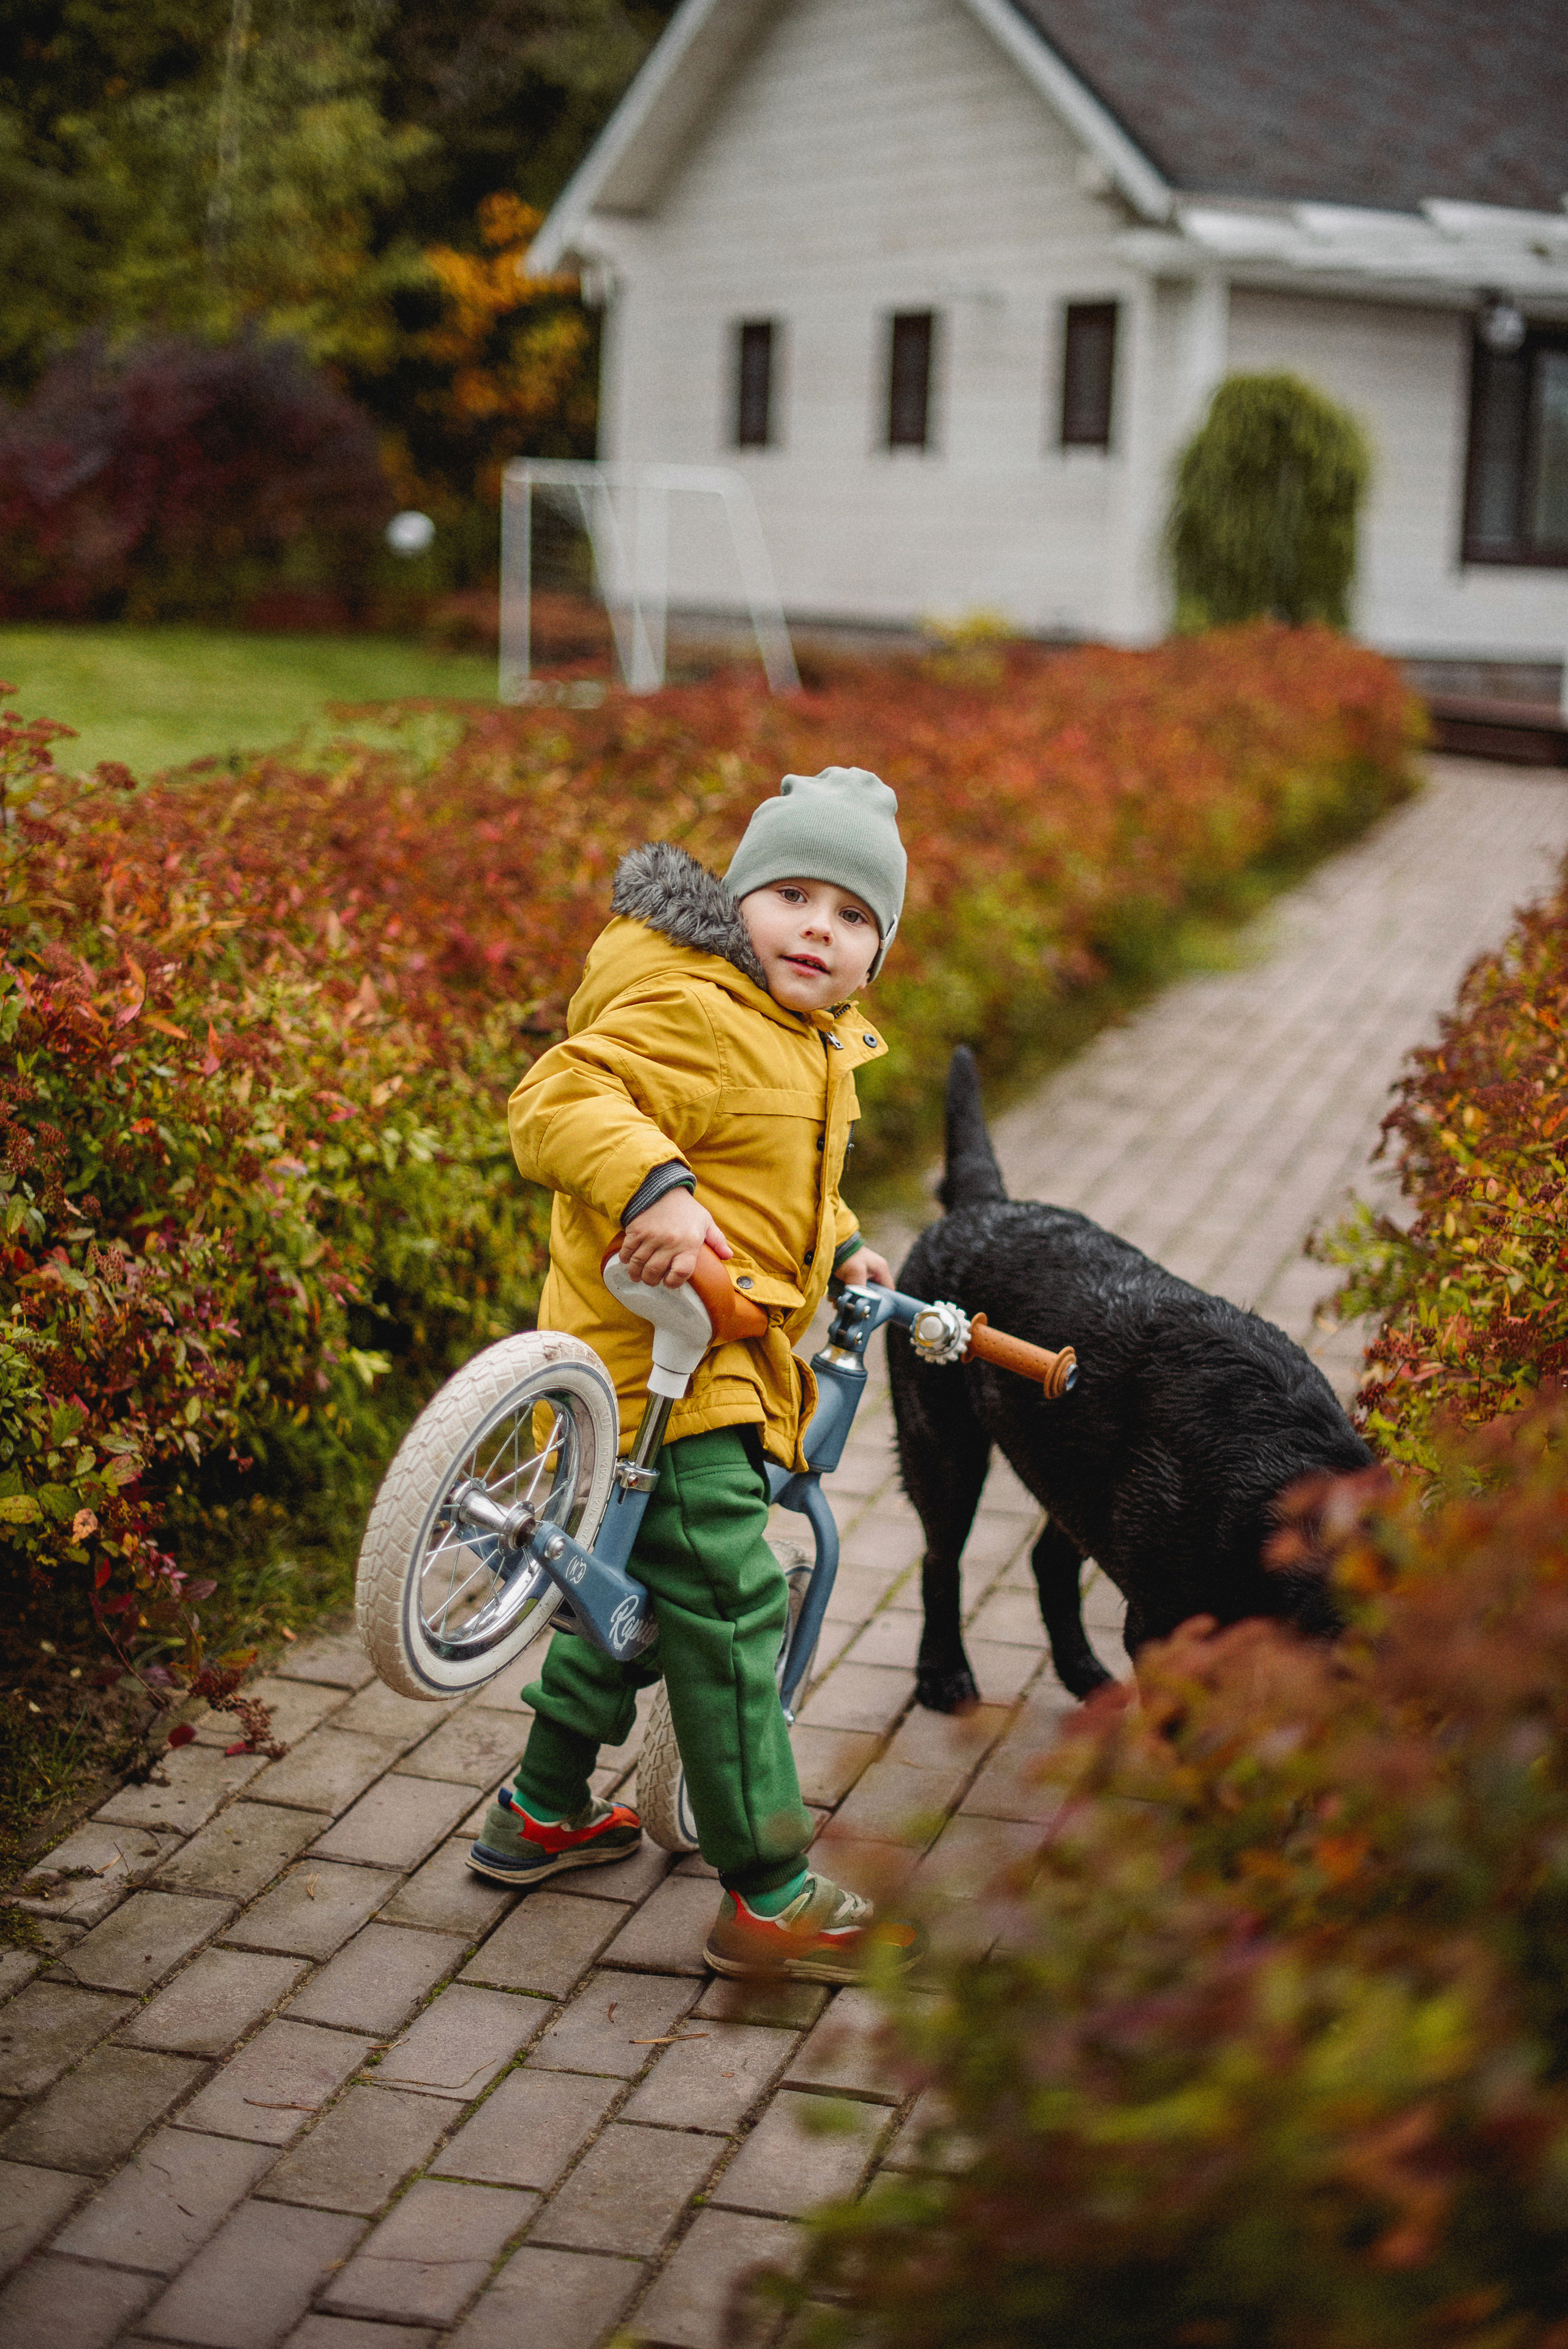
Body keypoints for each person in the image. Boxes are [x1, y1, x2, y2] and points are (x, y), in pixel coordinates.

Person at [467, 765, 922, 1983]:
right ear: (737, 907)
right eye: (791, 894)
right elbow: (561, 1096)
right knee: (725, 1608)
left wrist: (838, 1245)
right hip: (668, 1372)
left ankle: (543, 1809)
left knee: (628, 1599)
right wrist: (654, 1189)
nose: (819, 926)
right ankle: (769, 1891)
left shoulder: (808, 1040)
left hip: (712, 1362)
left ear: (875, 955)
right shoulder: (699, 1011)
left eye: (854, 913)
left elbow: (782, 1180)